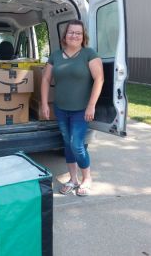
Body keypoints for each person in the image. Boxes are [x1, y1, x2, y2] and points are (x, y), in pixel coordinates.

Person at [41, 19, 104, 196]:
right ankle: (73, 179)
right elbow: (46, 79)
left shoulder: (89, 54)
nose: (74, 35)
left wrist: (91, 106)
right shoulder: (56, 55)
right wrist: (45, 103)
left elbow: (99, 79)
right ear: (65, 35)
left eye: (78, 33)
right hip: (61, 108)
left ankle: (87, 178)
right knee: (67, 144)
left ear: (83, 36)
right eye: (71, 32)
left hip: (81, 110)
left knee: (77, 145)